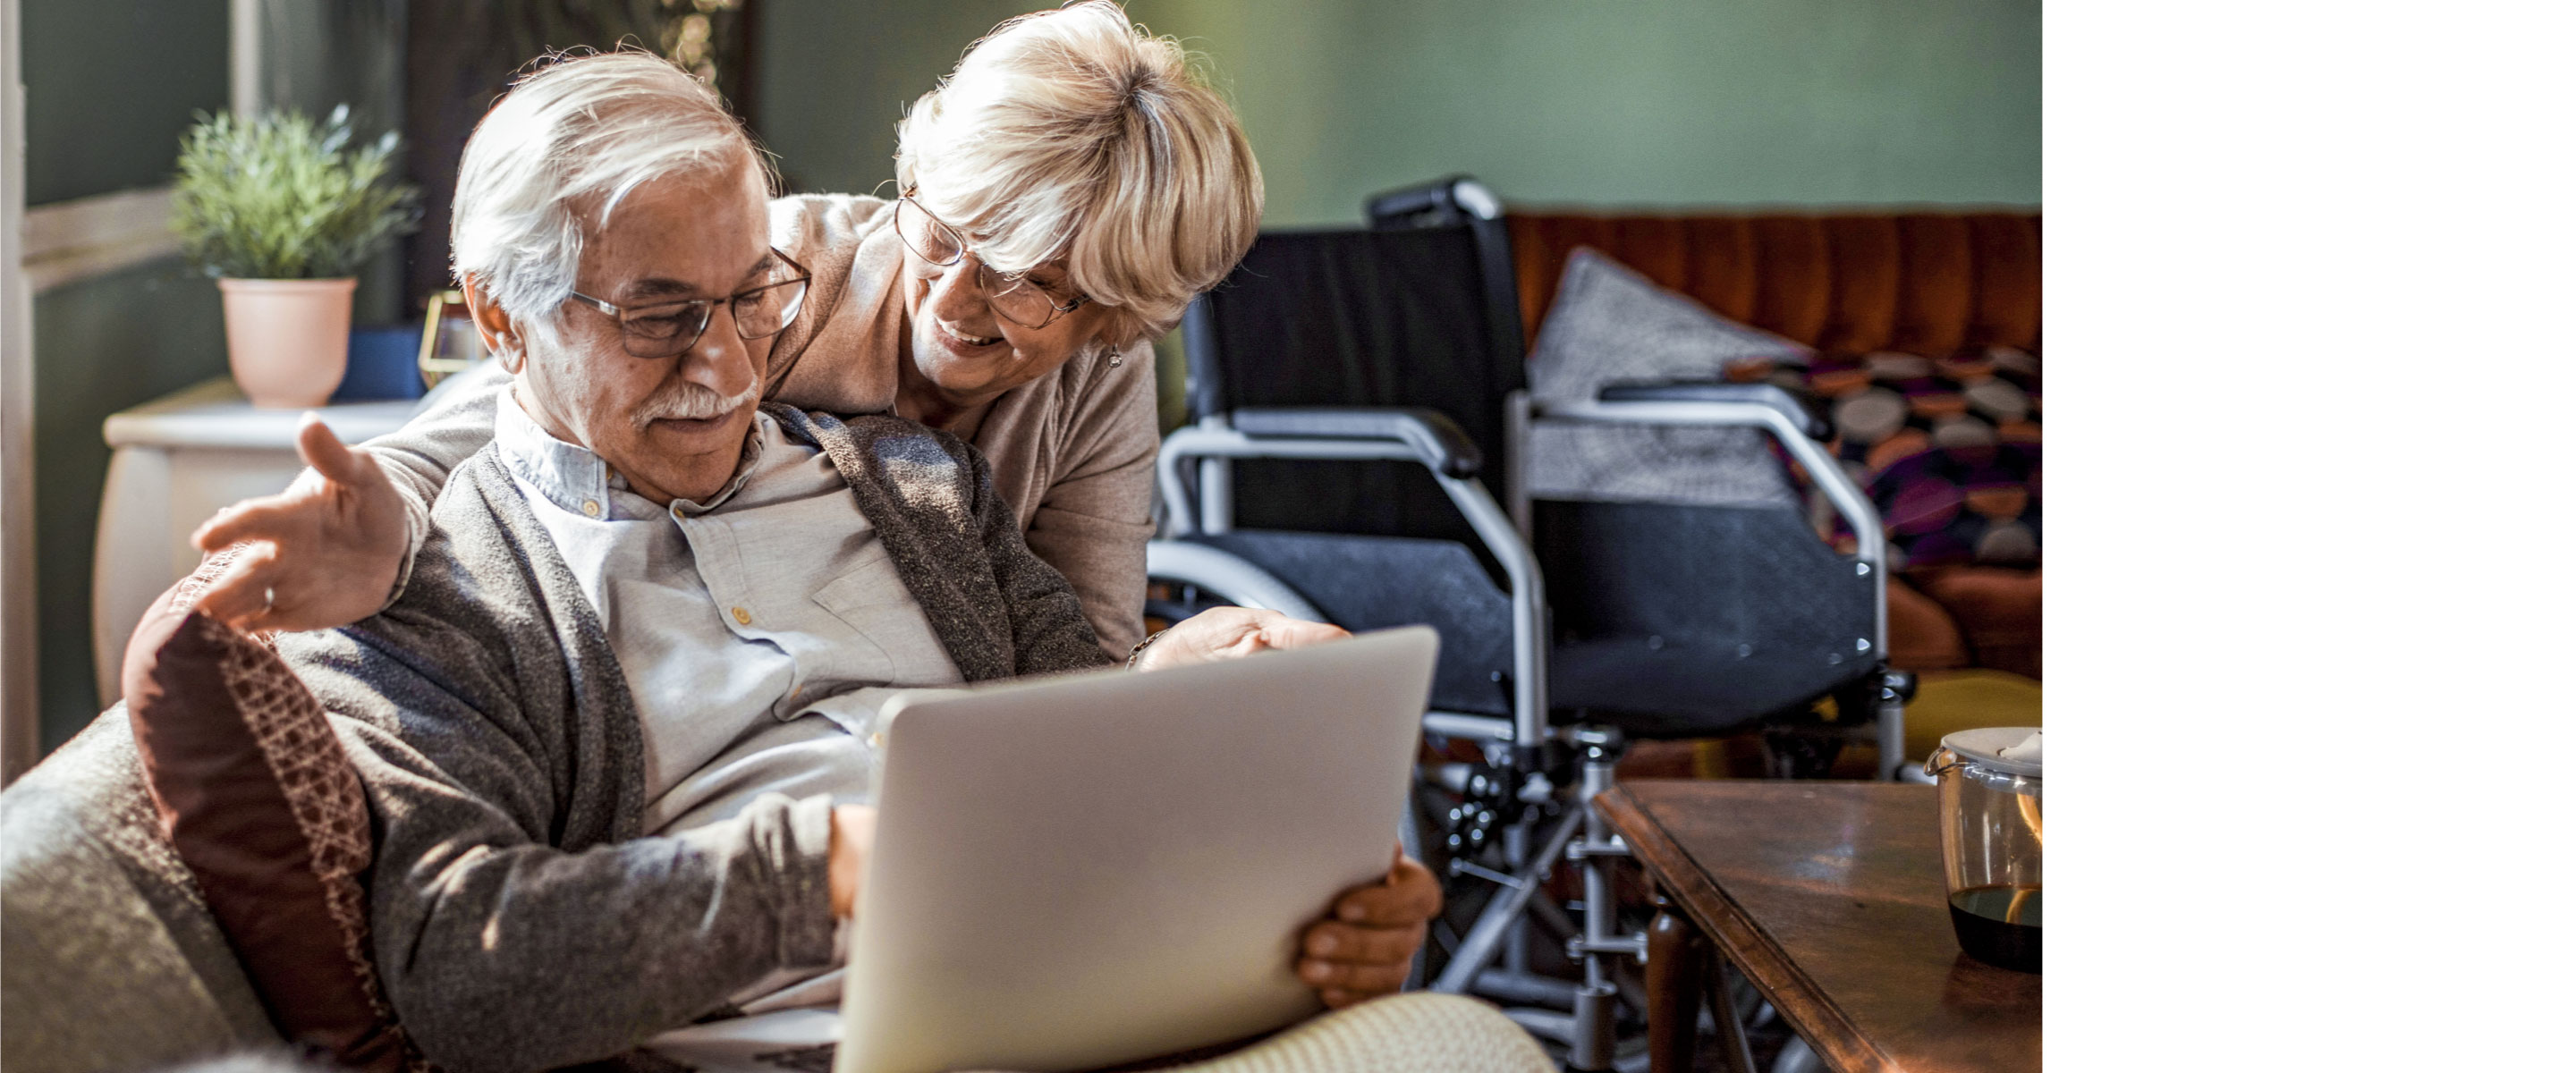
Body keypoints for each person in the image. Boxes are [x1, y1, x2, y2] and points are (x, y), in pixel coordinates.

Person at [267, 50, 1435, 1073]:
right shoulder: (445, 588)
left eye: (748, 299)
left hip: (1084, 988)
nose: (728, 366)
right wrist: (832, 866)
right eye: (662, 314)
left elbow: (1076, 723)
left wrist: (1303, 867)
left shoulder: (922, 484)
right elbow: (468, 974)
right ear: (500, 315)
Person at [191, 0, 1254, 658]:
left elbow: (1084, 652)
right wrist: (384, 501)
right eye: (943, 230)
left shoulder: (1099, 377)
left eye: (1027, 282)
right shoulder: (768, 274)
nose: (953, 300)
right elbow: (509, 400)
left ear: (1113, 311)